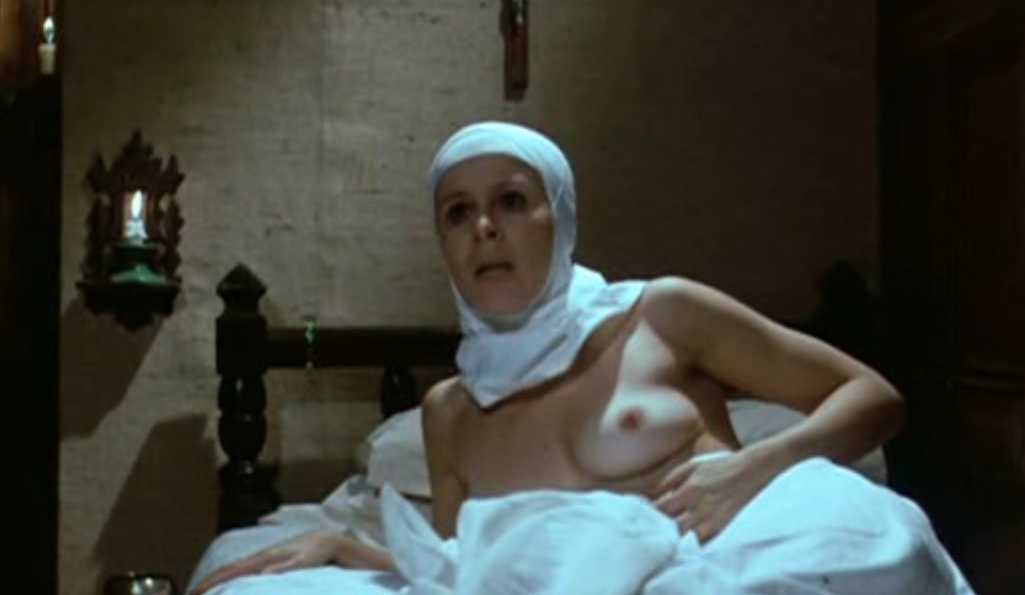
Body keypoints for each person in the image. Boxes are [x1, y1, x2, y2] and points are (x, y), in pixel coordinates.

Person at [192, 121, 958, 594]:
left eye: (510, 200)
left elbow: (875, 398)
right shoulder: (448, 412)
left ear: (558, 217)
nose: (484, 228)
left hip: (738, 563)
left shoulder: (662, 314)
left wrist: (757, 467)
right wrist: (342, 546)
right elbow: (468, 570)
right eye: (458, 212)